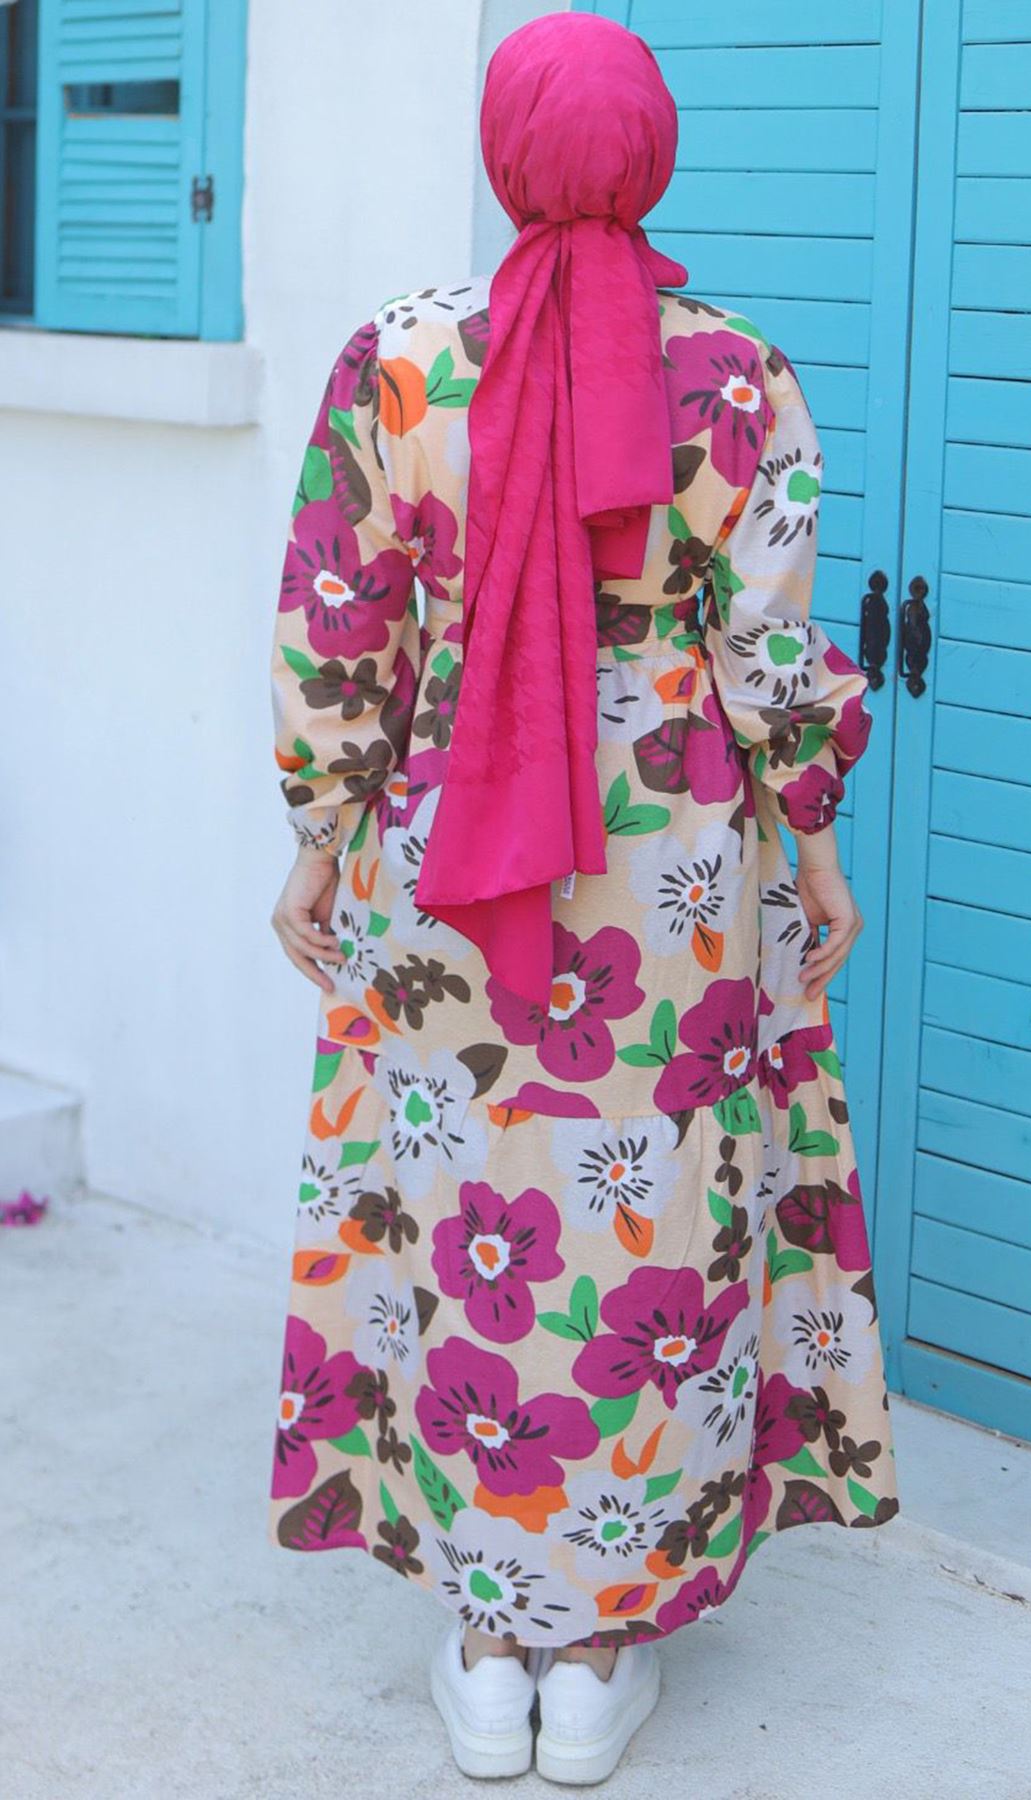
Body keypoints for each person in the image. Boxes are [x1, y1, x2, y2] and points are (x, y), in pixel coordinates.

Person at [267, 12, 898, 1786]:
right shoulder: (738, 376)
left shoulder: (399, 362)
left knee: (462, 1198)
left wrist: (317, 834)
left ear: (504, 150)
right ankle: (598, 1651)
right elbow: (769, 650)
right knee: (652, 1223)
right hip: (671, 871)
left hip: (450, 846)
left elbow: (339, 622)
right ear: (654, 150)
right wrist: (818, 845)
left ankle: (490, 1649)